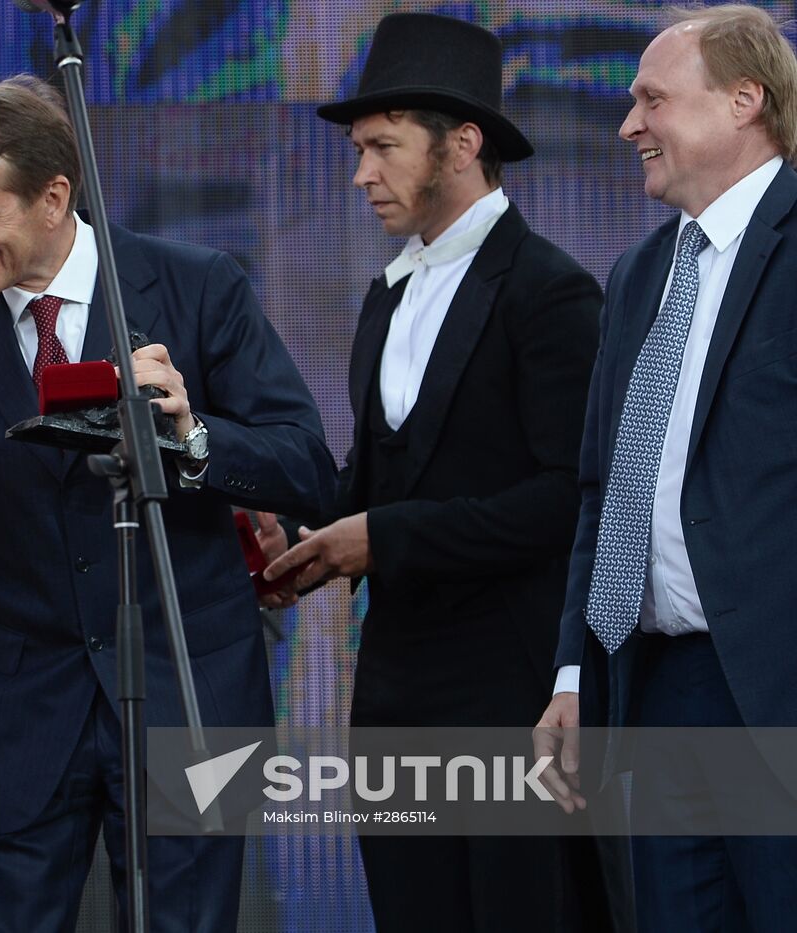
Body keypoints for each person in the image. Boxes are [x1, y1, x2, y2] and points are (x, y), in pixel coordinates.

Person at [0, 74, 336, 931]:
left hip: (188, 691)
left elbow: (304, 465)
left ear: (53, 197)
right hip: (23, 710)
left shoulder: (197, 286)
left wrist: (193, 438)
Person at [259, 14, 606, 932]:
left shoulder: (550, 291)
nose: (361, 173)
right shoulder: (386, 295)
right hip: (394, 688)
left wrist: (382, 537)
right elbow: (377, 479)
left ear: (463, 144)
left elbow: (572, 500)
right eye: (359, 149)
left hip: (513, 692)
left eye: (382, 148)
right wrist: (304, 541)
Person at [535, 6, 797, 931]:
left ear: (743, 100)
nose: (628, 125)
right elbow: (605, 490)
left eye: (651, 99)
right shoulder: (641, 271)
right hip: (657, 684)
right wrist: (573, 672)